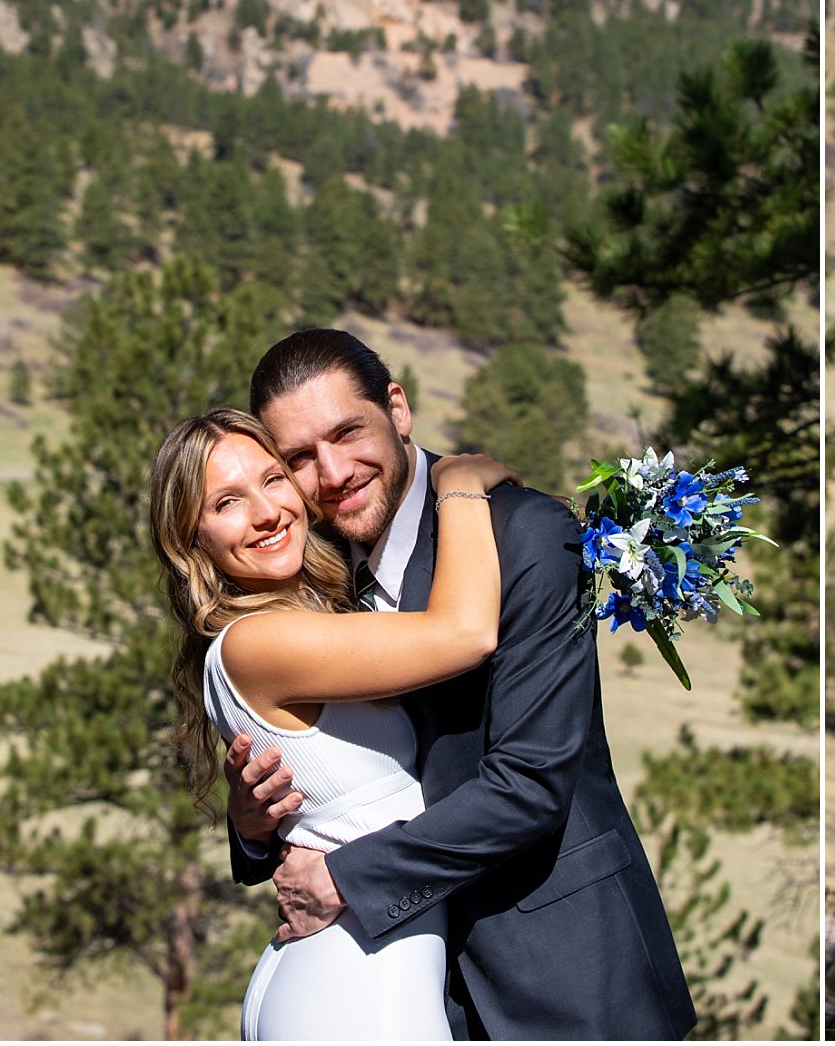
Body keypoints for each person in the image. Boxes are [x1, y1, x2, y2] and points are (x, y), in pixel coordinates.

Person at [223, 329, 696, 1041]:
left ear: (398, 409)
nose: (333, 472)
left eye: (347, 433)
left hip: (571, 974)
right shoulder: (311, 565)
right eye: (298, 458)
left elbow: (530, 782)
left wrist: (347, 877)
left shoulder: (525, 534)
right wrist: (253, 824)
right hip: (414, 987)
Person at [150, 406, 505, 1039]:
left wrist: (250, 827)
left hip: (360, 966)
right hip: (355, 981)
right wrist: (459, 484)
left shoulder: (302, 617)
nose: (266, 512)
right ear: (190, 538)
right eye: (227, 502)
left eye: (273, 479)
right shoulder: (257, 643)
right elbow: (465, 633)